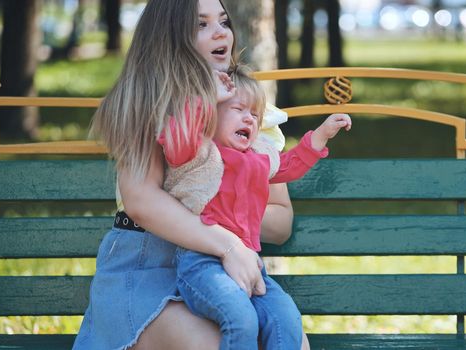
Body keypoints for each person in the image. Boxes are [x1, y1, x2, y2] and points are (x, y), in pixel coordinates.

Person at [72, 0, 310, 349]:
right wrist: (226, 241)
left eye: (224, 22)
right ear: (169, 37)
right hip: (147, 263)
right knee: (212, 343)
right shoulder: (148, 100)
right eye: (201, 24)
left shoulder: (249, 110)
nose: (220, 33)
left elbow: (280, 220)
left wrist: (223, 211)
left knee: (290, 340)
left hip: (221, 269)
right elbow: (141, 200)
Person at [157, 65, 351, 349]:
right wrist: (202, 99)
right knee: (241, 318)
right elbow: (174, 139)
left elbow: (286, 166)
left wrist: (319, 136)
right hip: (202, 263)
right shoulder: (196, 151)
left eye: (255, 115)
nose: (249, 118)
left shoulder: (258, 155)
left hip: (250, 263)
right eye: (238, 109)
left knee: (285, 320)